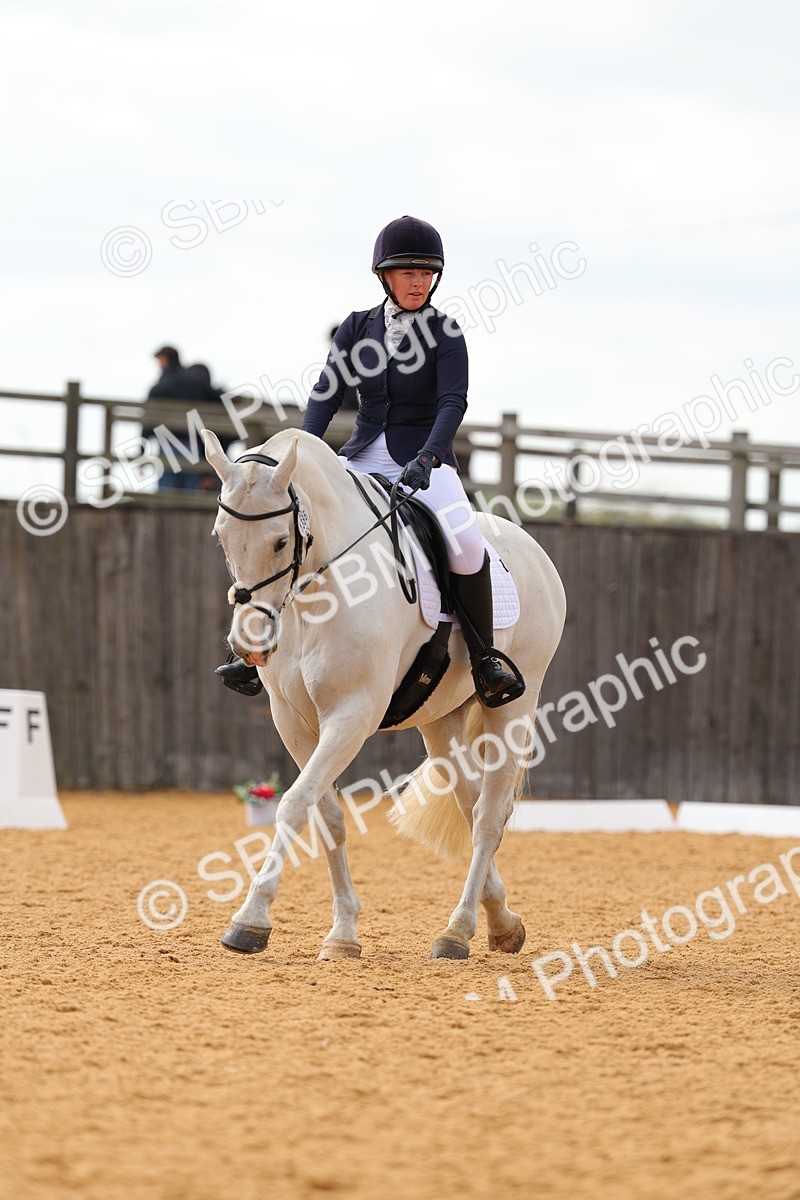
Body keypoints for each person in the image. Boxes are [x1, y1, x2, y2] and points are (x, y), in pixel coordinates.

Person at [217, 216, 524, 708]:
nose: (418, 281)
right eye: (407, 272)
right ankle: (256, 650)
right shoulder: (358, 327)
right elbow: (325, 393)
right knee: (294, 533)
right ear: (384, 276)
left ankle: (486, 658)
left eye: (426, 273)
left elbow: (453, 402)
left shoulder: (445, 332)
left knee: (466, 544)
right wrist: (295, 455)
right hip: (360, 456)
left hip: (425, 459)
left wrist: (430, 454)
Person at [146, 346, 232, 489]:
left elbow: (148, 419)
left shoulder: (159, 387)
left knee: (166, 492)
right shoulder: (196, 383)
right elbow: (219, 402)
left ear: (164, 359)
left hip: (167, 444)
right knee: (190, 490)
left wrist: (141, 449)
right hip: (193, 445)